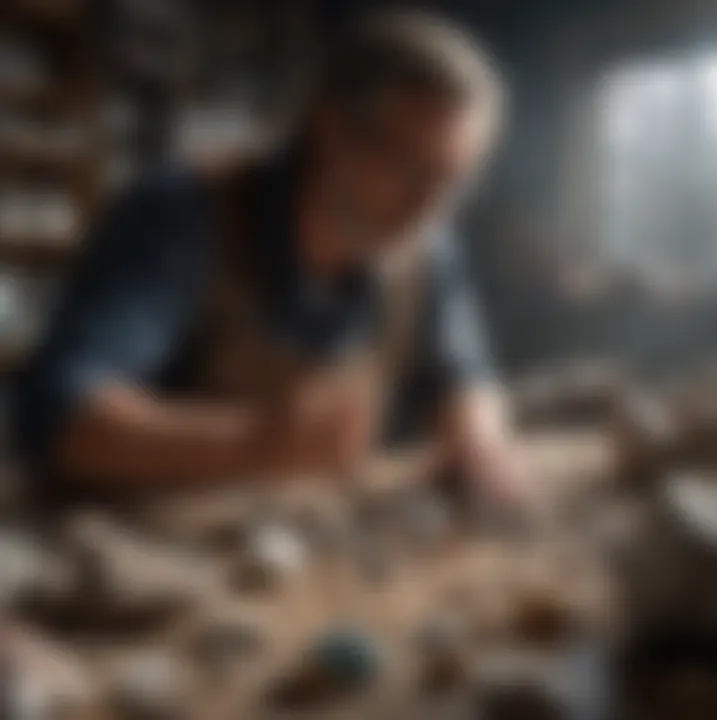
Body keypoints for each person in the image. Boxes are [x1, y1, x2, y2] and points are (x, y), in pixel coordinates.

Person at [13, 10, 526, 505]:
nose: (428, 206)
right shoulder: (182, 215)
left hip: (301, 551)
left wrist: (476, 433)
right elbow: (57, 415)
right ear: (331, 127)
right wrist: (257, 443)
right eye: (409, 167)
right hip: (138, 554)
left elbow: (466, 373)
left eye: (452, 183)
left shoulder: (422, 241)